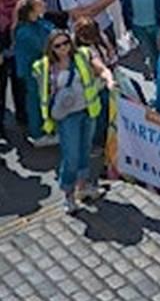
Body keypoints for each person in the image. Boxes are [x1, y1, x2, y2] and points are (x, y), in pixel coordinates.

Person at [34, 27, 113, 210]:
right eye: (58, 45)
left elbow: (101, 68)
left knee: (85, 151)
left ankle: (83, 186)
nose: (63, 48)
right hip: (67, 117)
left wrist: (108, 80)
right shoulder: (45, 67)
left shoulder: (83, 55)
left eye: (66, 43)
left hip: (87, 111)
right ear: (51, 48)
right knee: (71, 156)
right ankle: (68, 194)